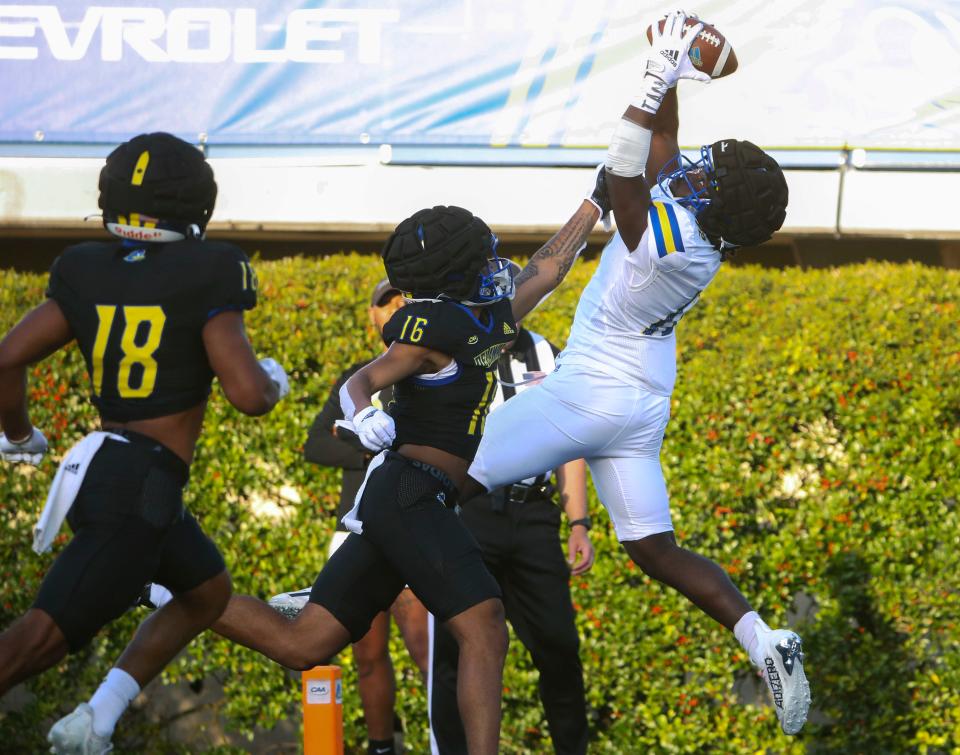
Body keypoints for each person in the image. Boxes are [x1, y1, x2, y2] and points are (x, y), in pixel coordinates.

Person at [463, 11, 811, 737]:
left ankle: (339, 591)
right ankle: (761, 638)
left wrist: (654, 75)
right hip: (642, 399)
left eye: (718, 174)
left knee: (439, 470)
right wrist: (676, 72)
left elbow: (626, 168)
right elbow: (660, 147)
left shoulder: (670, 238)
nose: (706, 166)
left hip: (593, 390)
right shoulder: (705, 235)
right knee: (654, 547)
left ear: (718, 201)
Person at [0, 132, 289, 754]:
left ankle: (96, 718)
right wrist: (273, 382)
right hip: (139, 488)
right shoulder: (209, 269)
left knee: (207, 592)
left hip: (106, 471)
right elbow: (245, 393)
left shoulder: (84, 266)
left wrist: (18, 434)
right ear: (197, 202)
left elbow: (7, 358)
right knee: (37, 642)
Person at [428, 324, 594, 755]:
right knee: (458, 648)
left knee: (559, 647)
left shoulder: (548, 354)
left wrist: (579, 522)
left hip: (534, 513)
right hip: (470, 509)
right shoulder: (455, 348)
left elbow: (569, 441)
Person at [295, 278, 430, 755]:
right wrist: (373, 447)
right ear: (372, 317)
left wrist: (360, 438)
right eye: (384, 303)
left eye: (402, 300)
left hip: (413, 523)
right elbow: (316, 444)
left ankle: (448, 740)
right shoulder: (358, 377)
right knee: (367, 653)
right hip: (355, 527)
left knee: (425, 648)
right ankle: (380, 747)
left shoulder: (429, 372)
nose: (393, 307)